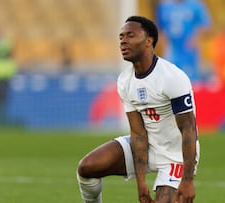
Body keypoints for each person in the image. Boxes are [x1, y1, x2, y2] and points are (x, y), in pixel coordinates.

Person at [77, 16, 200, 203]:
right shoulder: (125, 81)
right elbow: (138, 133)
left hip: (175, 154)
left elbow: (189, 130)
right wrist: (141, 183)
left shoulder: (171, 77)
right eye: (121, 37)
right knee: (87, 167)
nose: (123, 41)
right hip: (147, 144)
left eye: (130, 35)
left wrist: (188, 179)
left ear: (149, 41)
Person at [156, 0, 211, 82]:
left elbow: (206, 26)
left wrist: (195, 38)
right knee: (171, 81)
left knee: (191, 82)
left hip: (189, 51)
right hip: (172, 51)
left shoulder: (196, 5)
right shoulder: (164, 6)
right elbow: (159, 28)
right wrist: (165, 44)